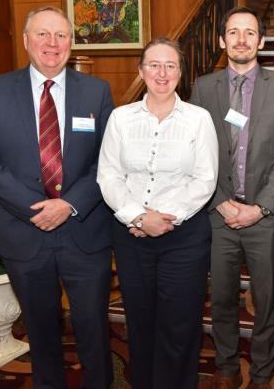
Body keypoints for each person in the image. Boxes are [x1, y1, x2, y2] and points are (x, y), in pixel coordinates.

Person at [0, 6, 114, 388]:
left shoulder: (96, 92)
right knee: (41, 327)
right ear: (26, 41)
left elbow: (109, 159)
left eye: (61, 35)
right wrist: (35, 208)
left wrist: (68, 204)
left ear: (71, 43)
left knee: (93, 325)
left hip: (85, 231)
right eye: (43, 34)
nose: (52, 44)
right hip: (23, 231)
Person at [97, 38, 218, 389]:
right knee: (139, 320)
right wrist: (137, 216)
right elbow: (109, 174)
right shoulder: (121, 118)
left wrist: (164, 219)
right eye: (153, 65)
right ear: (141, 70)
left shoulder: (198, 119)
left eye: (170, 66)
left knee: (180, 324)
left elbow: (204, 179)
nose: (161, 73)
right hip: (131, 236)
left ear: (181, 73)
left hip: (184, 238)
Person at [191, 6, 274, 389]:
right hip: (218, 216)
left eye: (249, 32)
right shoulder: (204, 88)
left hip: (265, 218)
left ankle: (265, 371)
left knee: (267, 301)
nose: (241, 39)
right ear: (222, 41)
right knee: (220, 298)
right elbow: (196, 153)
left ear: (261, 41)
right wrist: (221, 201)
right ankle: (225, 366)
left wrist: (259, 208)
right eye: (233, 32)